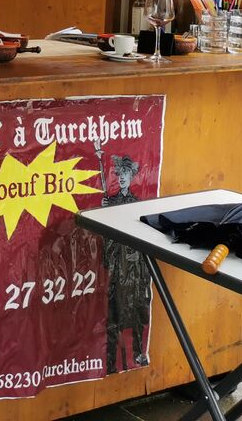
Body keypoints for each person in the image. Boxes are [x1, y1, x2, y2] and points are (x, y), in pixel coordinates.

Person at [93, 142, 151, 373]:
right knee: (113, 311)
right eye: (119, 175)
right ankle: (110, 359)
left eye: (125, 174)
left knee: (135, 309)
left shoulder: (135, 203)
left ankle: (138, 351)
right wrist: (104, 209)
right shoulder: (113, 200)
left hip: (133, 267)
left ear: (132, 176)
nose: (121, 178)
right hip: (117, 266)